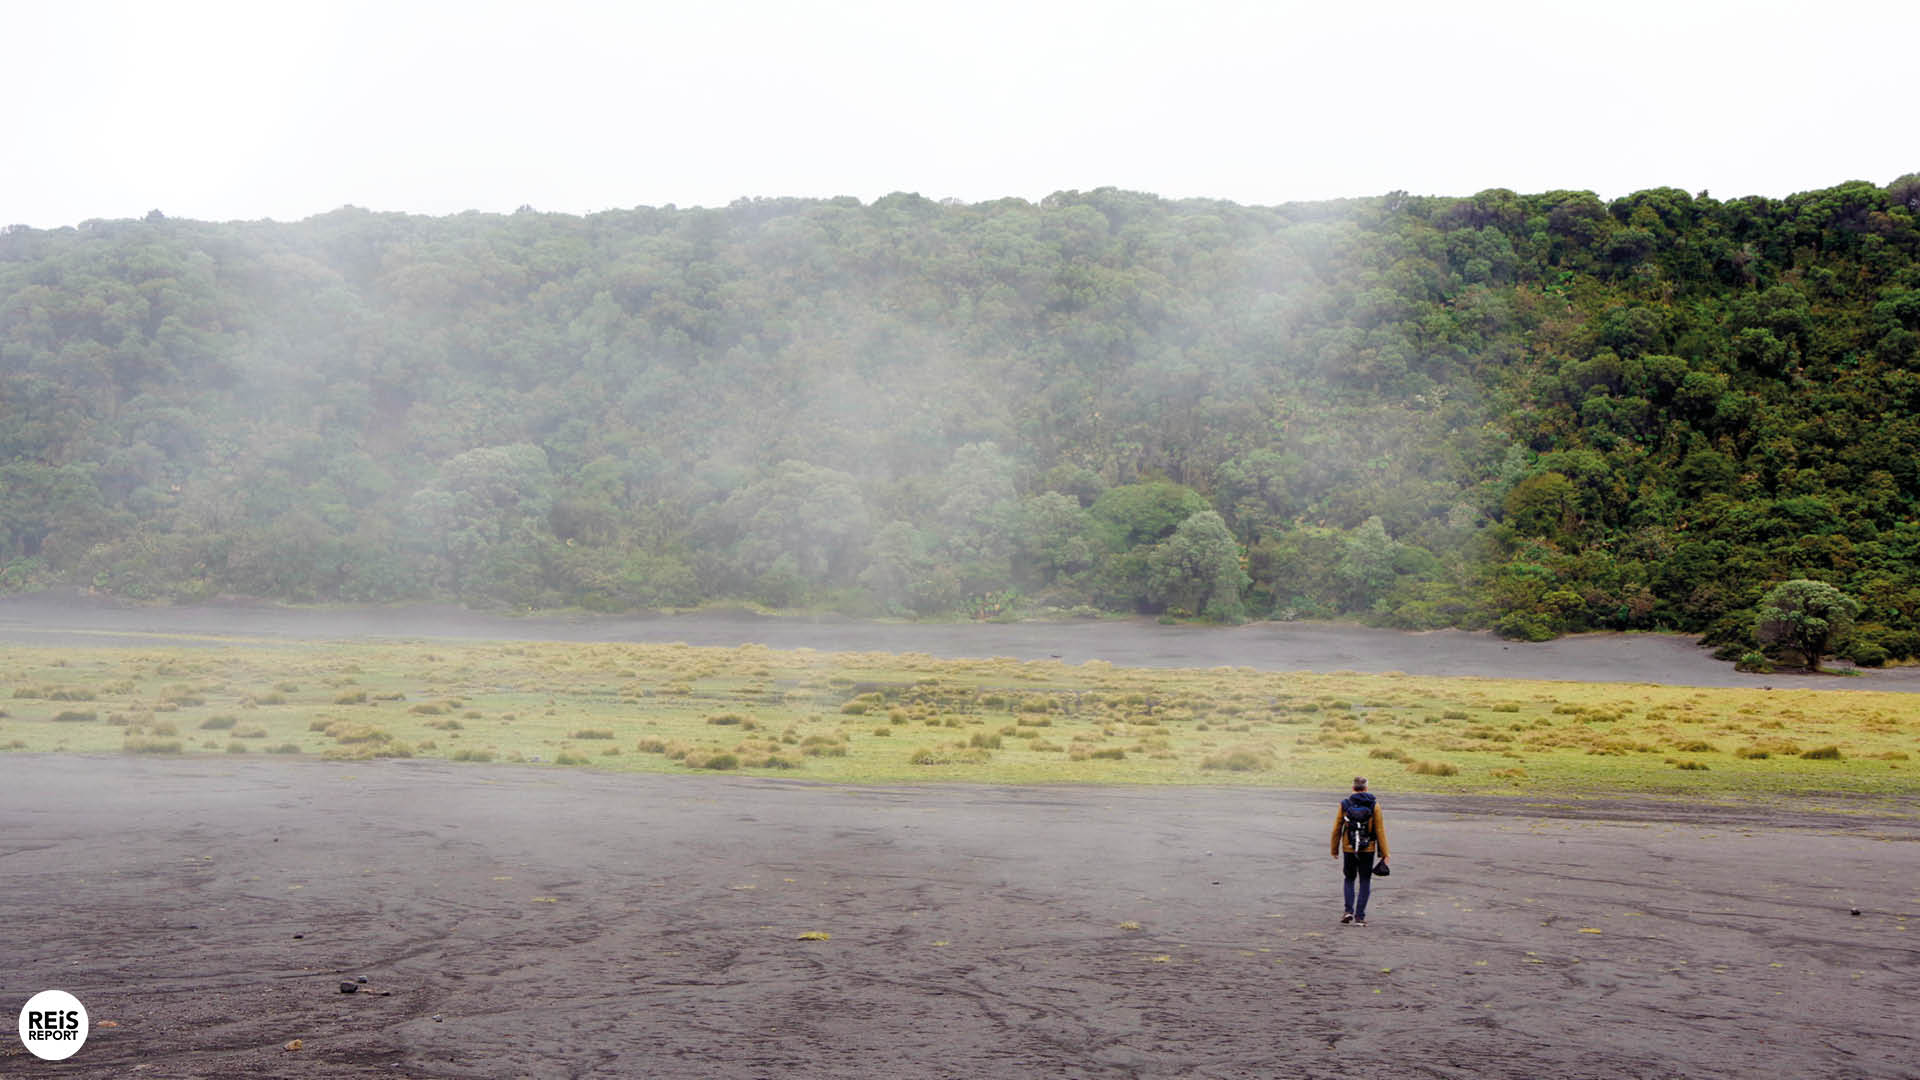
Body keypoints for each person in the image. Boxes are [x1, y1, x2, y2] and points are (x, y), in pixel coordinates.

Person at [1330, 776, 1388, 925]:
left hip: (1348, 848)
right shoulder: (1374, 805)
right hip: (1368, 849)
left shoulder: (1345, 804)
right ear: (1366, 788)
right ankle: (1360, 917)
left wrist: (1334, 849)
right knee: (1365, 880)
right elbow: (1380, 829)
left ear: (1353, 788)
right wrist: (1384, 853)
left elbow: (1337, 828)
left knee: (1349, 879)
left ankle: (1348, 911)